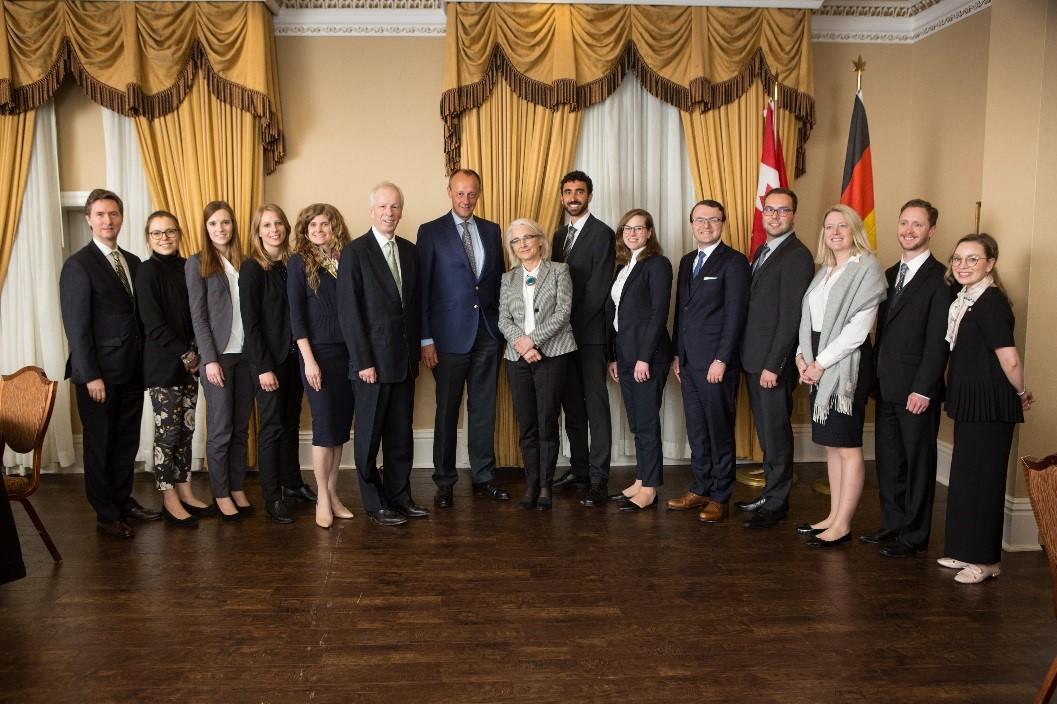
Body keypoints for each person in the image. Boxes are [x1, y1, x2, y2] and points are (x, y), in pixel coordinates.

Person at [60, 189, 159, 538]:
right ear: (89, 219)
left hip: (132, 370)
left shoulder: (132, 262)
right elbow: (77, 328)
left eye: (113, 214)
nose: (107, 220)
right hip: (98, 376)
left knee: (126, 441)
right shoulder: (78, 265)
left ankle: (122, 501)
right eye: (100, 214)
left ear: (121, 217)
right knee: (101, 444)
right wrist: (91, 376)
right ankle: (106, 513)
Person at [939, 233, 1033, 584]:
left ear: (990, 263)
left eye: (972, 259)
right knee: (965, 478)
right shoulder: (967, 300)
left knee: (986, 482)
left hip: (991, 405)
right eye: (958, 259)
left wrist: (1021, 391)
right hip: (970, 401)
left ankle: (988, 561)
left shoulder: (992, 302)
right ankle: (964, 550)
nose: (963, 265)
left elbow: (1009, 360)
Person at [862, 200, 953, 556]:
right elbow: (881, 334)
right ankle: (893, 524)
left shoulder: (941, 279)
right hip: (885, 386)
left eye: (917, 225)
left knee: (918, 464)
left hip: (916, 390)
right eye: (904, 223)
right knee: (889, 460)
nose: (909, 231)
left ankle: (914, 535)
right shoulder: (887, 275)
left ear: (931, 230)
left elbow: (938, 341)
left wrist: (925, 388)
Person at [794, 205, 886, 547]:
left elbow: (857, 332)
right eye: (829, 226)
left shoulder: (867, 269)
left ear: (854, 230)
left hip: (845, 366)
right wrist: (802, 358)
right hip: (817, 358)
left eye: (842, 226)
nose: (835, 232)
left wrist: (820, 363)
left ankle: (844, 523)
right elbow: (809, 321)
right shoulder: (825, 270)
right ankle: (832, 516)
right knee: (832, 447)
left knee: (847, 446)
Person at [418, 168, 509, 508]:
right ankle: (444, 481)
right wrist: (425, 338)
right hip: (446, 338)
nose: (466, 199)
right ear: (449, 192)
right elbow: (423, 289)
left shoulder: (491, 230)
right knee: (447, 411)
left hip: (487, 334)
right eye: (460, 193)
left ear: (479, 194)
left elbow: (498, 282)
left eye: (472, 193)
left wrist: (501, 328)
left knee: (484, 410)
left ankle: (484, 477)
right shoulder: (431, 232)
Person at [338, 183, 427, 528]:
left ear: (401, 211)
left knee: (400, 436)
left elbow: (413, 306)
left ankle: (400, 497)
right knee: (369, 437)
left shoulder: (409, 250)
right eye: (383, 207)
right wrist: (363, 362)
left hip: (403, 362)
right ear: (372, 210)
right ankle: (375, 504)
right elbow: (350, 313)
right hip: (370, 365)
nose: (389, 213)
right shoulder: (355, 252)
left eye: (395, 207)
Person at [667, 200, 750, 524]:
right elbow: (681, 312)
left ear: (722, 223)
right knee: (697, 430)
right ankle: (700, 487)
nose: (705, 225)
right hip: (688, 362)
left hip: (716, 363)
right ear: (692, 225)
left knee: (719, 430)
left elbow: (735, 316)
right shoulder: (687, 261)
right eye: (699, 220)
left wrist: (722, 359)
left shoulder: (735, 262)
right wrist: (677, 353)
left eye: (712, 220)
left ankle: (720, 496)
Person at [738, 189, 814, 528]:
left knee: (776, 435)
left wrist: (774, 365)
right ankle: (770, 494)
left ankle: (778, 502)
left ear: (794, 215)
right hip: (754, 360)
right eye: (769, 210)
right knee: (767, 435)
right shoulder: (764, 251)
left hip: (771, 365)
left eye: (782, 211)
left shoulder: (797, 256)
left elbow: (791, 317)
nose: (774, 216)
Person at [135, 210, 213, 527]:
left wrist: (195, 352)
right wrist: (186, 353)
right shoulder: (146, 272)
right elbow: (152, 324)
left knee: (186, 431)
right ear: (148, 237)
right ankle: (168, 498)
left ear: (179, 234)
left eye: (169, 232)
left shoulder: (188, 267)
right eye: (157, 233)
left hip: (190, 365)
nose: (164, 238)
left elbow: (198, 313)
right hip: (163, 365)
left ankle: (185, 490)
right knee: (167, 435)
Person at [240, 204, 316, 525]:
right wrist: (262, 366)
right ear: (258, 231)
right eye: (267, 225)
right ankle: (272, 496)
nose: (274, 230)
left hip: (293, 358)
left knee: (290, 423)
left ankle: (293, 483)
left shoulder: (293, 263)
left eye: (279, 224)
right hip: (267, 362)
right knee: (271, 428)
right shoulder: (252, 268)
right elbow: (251, 323)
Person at [497, 218, 577, 510]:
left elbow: (563, 313)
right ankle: (530, 484)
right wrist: (522, 343)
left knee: (546, 422)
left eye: (527, 238)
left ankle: (545, 486)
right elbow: (503, 318)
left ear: (540, 240)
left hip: (552, 355)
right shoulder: (508, 278)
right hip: (517, 358)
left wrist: (533, 342)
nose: (522, 245)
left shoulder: (559, 271)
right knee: (527, 424)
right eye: (515, 241)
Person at [549, 171, 616, 506]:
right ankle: (578, 468)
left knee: (596, 406)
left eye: (579, 191)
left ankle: (599, 478)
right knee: (571, 405)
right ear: (562, 197)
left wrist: (568, 324)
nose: (573, 197)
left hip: (588, 336)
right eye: (568, 192)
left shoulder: (602, 234)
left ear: (590, 195)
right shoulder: (559, 235)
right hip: (561, 338)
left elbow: (599, 288)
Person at [186, 201, 255, 522]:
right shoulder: (197, 263)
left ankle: (237, 486)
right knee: (221, 430)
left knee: (241, 428)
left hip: (246, 355)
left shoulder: (246, 262)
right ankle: (221, 492)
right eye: (213, 224)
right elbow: (198, 318)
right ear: (206, 228)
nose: (220, 229)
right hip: (218, 359)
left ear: (233, 226)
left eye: (225, 222)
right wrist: (208, 360)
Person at [288, 203, 356, 529]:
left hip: (347, 354)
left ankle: (332, 493)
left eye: (324, 224)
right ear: (305, 230)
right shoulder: (299, 262)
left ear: (334, 227)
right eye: (312, 225)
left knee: (340, 429)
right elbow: (296, 317)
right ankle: (321, 499)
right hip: (318, 356)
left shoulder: (345, 260)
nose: (318, 230)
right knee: (324, 428)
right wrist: (309, 361)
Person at [606, 209, 672, 512]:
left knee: (646, 423)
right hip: (626, 355)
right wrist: (616, 357)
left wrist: (644, 358)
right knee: (636, 422)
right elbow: (620, 316)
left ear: (649, 232)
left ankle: (650, 488)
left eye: (638, 228)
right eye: (626, 229)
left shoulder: (657, 264)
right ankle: (641, 478)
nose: (632, 233)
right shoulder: (625, 266)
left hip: (648, 357)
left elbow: (658, 314)